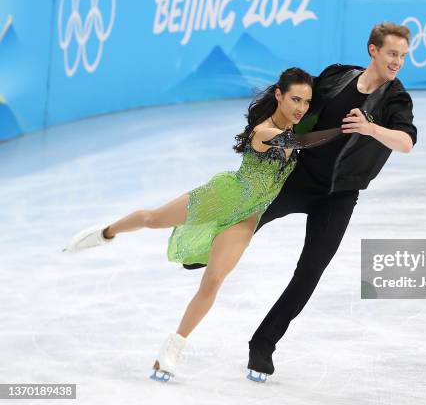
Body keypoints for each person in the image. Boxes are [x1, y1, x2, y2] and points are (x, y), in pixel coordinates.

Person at [62, 68, 320, 383]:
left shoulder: (298, 123)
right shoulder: (264, 131)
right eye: (295, 99)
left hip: (247, 216)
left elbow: (309, 130)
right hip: (220, 197)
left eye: (307, 102)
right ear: (279, 95)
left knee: (212, 281)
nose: (301, 108)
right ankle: (105, 233)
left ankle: (173, 347)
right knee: (152, 218)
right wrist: (349, 130)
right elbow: (302, 140)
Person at [243, 22, 418, 382]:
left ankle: (262, 344)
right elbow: (299, 106)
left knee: (309, 272)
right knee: (244, 220)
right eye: (392, 53)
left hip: (338, 196)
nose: (398, 61)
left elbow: (406, 142)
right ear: (373, 50)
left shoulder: (396, 98)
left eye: (402, 55)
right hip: (298, 179)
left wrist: (372, 128)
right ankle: (200, 250)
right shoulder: (337, 76)